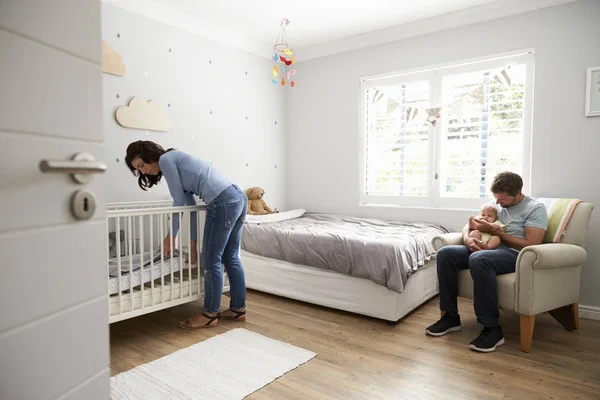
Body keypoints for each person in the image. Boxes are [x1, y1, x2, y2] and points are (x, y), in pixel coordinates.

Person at [125, 140, 248, 329]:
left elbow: (177, 201)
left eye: (141, 165)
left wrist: (171, 236)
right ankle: (238, 309)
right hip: (237, 197)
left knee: (211, 260)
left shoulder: (166, 159)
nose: (143, 171)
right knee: (230, 256)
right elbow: (189, 206)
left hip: (223, 201)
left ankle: (209, 314)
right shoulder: (177, 164)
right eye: (138, 170)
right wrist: (192, 244)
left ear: (149, 155)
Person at [425, 172, 548, 352]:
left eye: (502, 200)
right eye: (495, 199)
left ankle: (492, 328)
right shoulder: (494, 204)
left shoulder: (535, 208)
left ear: (517, 194)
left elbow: (532, 244)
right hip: (486, 247)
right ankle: (450, 317)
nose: (497, 204)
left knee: (479, 259)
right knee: (445, 253)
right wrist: (468, 239)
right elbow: (470, 225)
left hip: (515, 254)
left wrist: (496, 233)